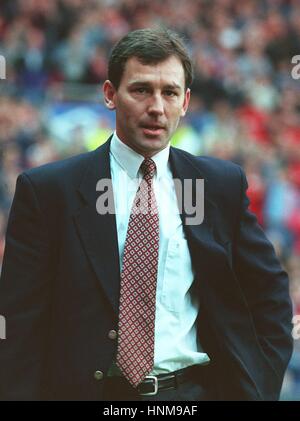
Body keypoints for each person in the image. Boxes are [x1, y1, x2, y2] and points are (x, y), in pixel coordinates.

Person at [0, 27, 293, 401]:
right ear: (110, 94)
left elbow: (269, 296)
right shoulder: (48, 192)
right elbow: (18, 324)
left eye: (169, 92)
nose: (157, 106)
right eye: (141, 90)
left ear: (185, 102)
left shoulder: (218, 186)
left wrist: (256, 389)